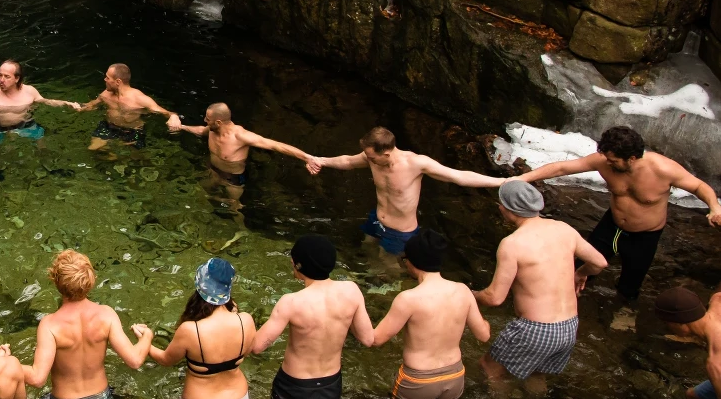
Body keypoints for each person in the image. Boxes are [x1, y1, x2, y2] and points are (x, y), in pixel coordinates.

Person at [516, 125, 721, 309]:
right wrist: (522, 178)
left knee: (630, 283)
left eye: (613, 160)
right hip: (611, 226)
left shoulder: (663, 169)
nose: (608, 163)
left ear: (631, 158)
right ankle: (561, 304)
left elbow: (698, 186)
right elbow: (562, 168)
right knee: (581, 267)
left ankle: (622, 313)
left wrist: (714, 207)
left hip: (645, 235)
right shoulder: (605, 161)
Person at [475, 181, 608, 398]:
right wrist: (581, 272)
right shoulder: (563, 229)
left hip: (536, 329)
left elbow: (494, 298)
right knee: (536, 374)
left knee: (489, 367)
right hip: (568, 327)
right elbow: (599, 263)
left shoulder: (513, 244)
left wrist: (470, 295)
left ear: (506, 209)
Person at [21, 249, 153, 399]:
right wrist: (146, 337)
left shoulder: (50, 325)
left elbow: (37, 378)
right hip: (99, 398)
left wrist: (8, 364)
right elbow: (135, 360)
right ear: (91, 280)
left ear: (55, 281)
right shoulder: (106, 314)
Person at [137, 258, 257, 399]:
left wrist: (146, 339)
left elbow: (165, 360)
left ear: (200, 286)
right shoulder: (246, 321)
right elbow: (247, 351)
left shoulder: (190, 330)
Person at [251, 235, 374, 399]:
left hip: (293, 384)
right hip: (330, 382)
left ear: (298, 266)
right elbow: (367, 338)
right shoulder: (352, 291)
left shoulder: (291, 302)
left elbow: (258, 346)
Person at [307, 126, 505, 257]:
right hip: (377, 218)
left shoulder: (416, 164)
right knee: (367, 249)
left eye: (371, 157)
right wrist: (321, 161)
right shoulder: (372, 157)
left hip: (400, 231)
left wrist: (502, 182)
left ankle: (387, 297)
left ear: (386, 153)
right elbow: (348, 161)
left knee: (387, 267)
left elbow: (458, 176)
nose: (368, 160)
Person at [370, 228, 491, 399]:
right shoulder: (462, 290)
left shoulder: (408, 299)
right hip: (454, 376)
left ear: (412, 262)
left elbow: (376, 339)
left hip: (418, 380)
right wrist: (486, 323)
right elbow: (483, 336)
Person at [168, 102, 315, 204]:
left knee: (234, 209)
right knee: (201, 193)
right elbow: (200, 130)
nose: (205, 120)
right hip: (213, 171)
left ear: (218, 122)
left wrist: (307, 157)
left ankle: (241, 234)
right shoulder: (212, 130)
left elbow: (275, 146)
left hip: (233, 180)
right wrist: (182, 127)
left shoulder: (240, 136)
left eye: (208, 119)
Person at [0, 59, 80, 143]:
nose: (1, 80)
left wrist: (66, 103)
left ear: (17, 78)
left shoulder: (29, 91)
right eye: (0, 75)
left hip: (26, 125)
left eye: (6, 76)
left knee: (42, 145)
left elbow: (47, 102)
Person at [76, 63, 176, 150]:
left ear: (118, 81)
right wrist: (80, 107)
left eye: (107, 77)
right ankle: (110, 154)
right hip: (109, 126)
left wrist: (174, 117)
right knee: (94, 149)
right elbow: (92, 105)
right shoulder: (106, 94)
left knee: (136, 158)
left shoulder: (139, 99)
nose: (104, 79)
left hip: (133, 131)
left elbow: (166, 112)